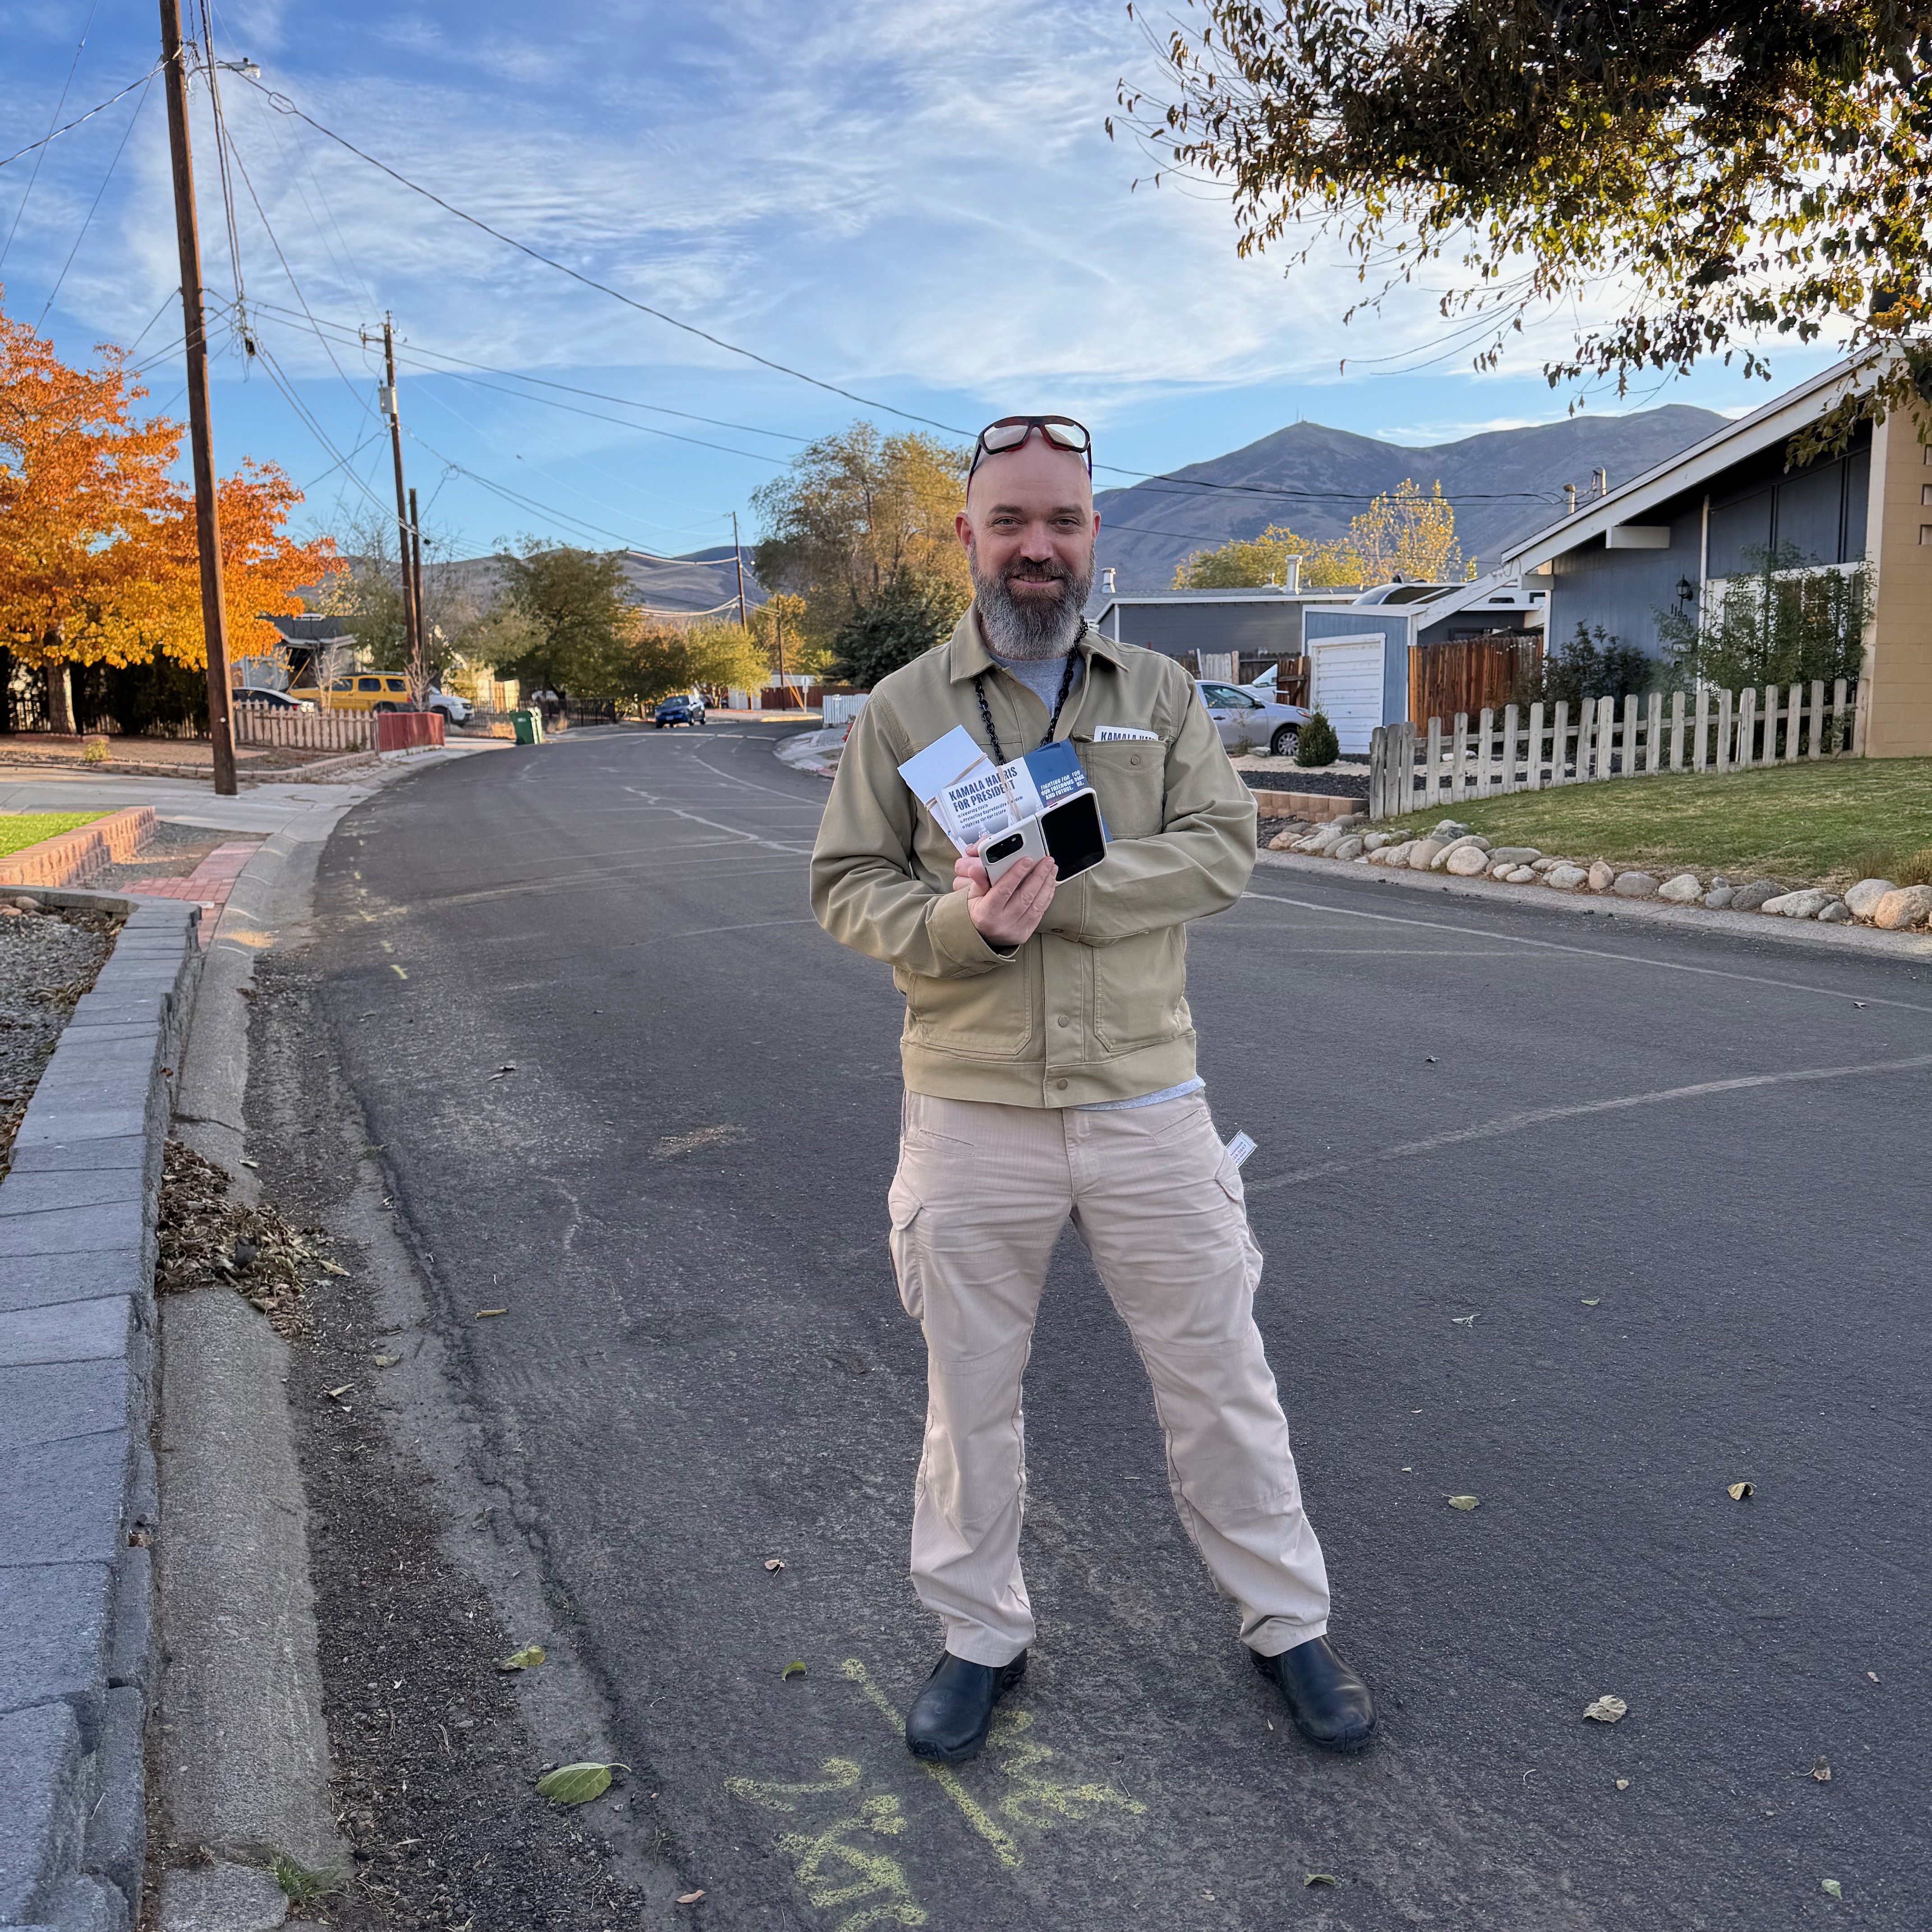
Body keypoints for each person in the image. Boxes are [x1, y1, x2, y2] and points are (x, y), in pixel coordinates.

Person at [809, 415, 1375, 1763]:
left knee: (1220, 1375)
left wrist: (1057, 895)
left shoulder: (1164, 697)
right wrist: (965, 930)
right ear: (967, 537)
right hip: (970, 1110)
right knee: (969, 1396)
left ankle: (1284, 1622)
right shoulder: (903, 710)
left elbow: (1220, 852)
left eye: (1059, 520)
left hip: (1145, 1104)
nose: (1036, 546)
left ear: (1091, 534)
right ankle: (975, 1636)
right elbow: (844, 887)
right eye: (1009, 521)